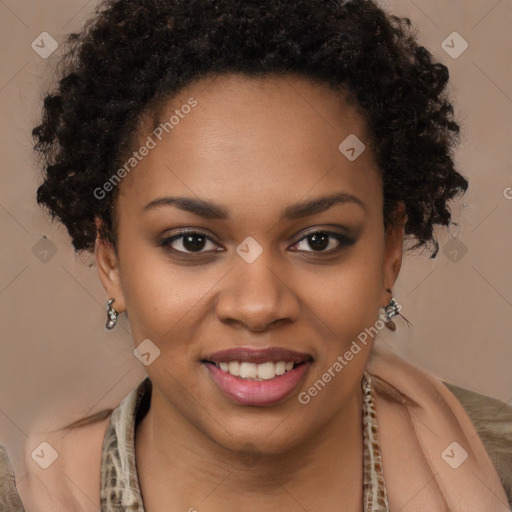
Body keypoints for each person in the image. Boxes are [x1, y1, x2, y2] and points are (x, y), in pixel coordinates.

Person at [4, 0, 512, 511]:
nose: (258, 306)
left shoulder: (500, 465)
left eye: (318, 240)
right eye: (192, 241)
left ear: (389, 254)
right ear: (111, 262)